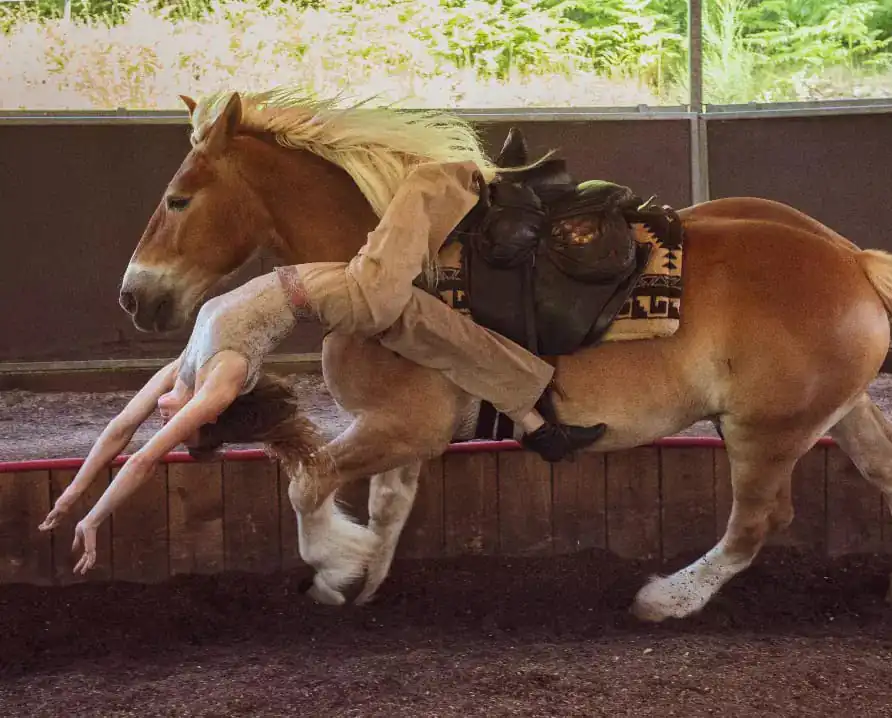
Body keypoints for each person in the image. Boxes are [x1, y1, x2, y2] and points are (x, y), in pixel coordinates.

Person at [39, 160, 606, 574]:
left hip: (365, 304)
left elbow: (118, 434)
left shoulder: (180, 371)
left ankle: (538, 425)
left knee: (459, 344)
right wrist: (97, 521)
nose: (160, 416)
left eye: (163, 420)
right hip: (357, 295)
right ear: (205, 417)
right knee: (433, 178)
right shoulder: (218, 383)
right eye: (173, 424)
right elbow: (141, 462)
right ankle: (472, 172)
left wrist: (74, 496)